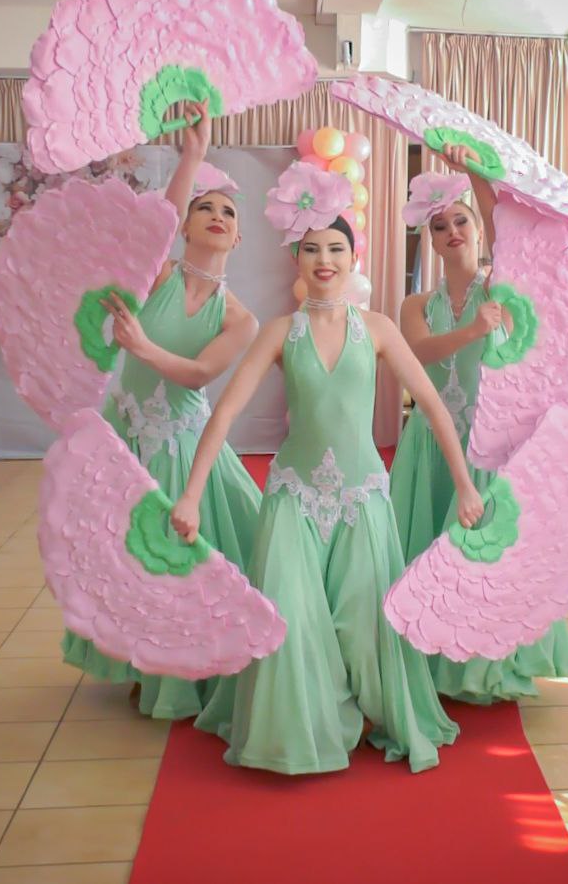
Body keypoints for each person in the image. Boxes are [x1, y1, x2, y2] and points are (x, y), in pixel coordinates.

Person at [175, 160, 484, 775]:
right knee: (291, 620)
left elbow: (433, 406)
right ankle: (301, 731)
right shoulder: (278, 332)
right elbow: (224, 413)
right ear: (297, 259)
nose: (324, 259)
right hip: (291, 497)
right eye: (312, 248)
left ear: (352, 258)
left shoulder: (379, 329)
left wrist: (466, 486)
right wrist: (190, 495)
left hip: (364, 497)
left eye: (336, 248)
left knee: (366, 628)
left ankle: (376, 707)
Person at [62, 102, 263, 721]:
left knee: (175, 553)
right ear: (186, 227)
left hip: (181, 441)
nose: (217, 216)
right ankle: (139, 658)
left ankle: (189, 658)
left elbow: (200, 375)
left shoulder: (240, 318)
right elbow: (155, 227)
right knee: (125, 550)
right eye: (206, 208)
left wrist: (142, 346)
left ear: (238, 237)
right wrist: (193, 155)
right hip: (127, 434)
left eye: (228, 212)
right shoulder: (158, 274)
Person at [390, 146, 568, 703]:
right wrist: (473, 331)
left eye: (461, 221)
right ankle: (427, 648)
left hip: (486, 439)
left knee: (478, 552)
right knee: (426, 547)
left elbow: (506, 235)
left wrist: (474, 172)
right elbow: (418, 353)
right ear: (429, 238)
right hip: (429, 440)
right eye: (440, 226)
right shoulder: (415, 304)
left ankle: (479, 662)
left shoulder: (499, 288)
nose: (452, 232)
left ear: (475, 230)